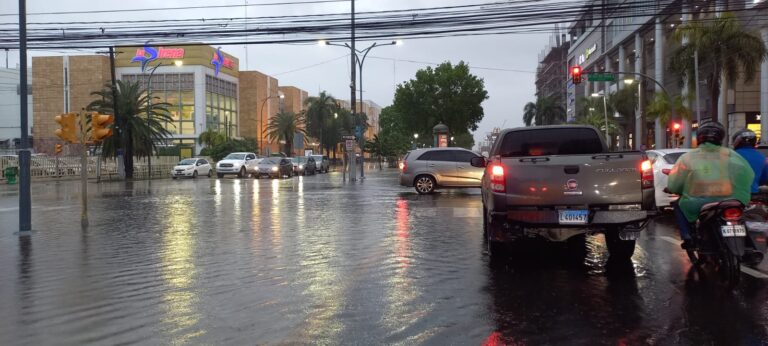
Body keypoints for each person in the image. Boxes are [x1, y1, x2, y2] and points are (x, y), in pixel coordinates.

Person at [667, 121, 754, 249]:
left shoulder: (687, 157)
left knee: (677, 205)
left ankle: (688, 238)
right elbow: (747, 176)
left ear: (699, 137)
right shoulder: (732, 155)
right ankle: (749, 247)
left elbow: (675, 185)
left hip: (697, 204)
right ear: (721, 137)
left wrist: (674, 189)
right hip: (732, 200)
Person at [732, 129, 768, 194]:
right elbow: (764, 178)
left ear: (736, 142)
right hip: (754, 194)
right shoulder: (761, 157)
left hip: (734, 196)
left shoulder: (731, 155)